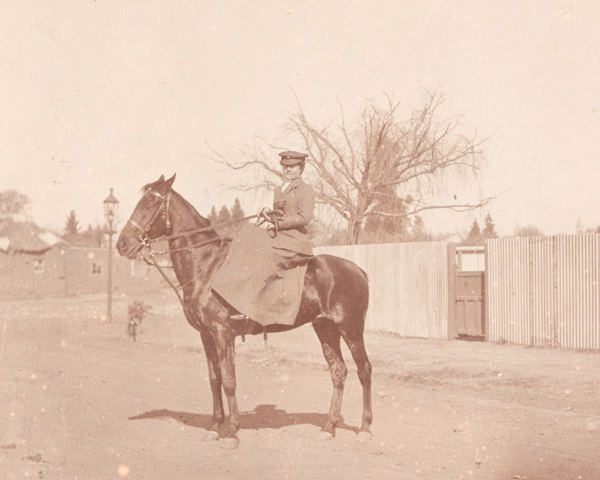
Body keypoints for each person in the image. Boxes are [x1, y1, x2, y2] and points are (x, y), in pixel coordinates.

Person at [211, 151, 315, 326]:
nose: (288, 169)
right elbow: (281, 214)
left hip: (295, 242)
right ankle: (238, 300)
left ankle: (252, 307)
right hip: (280, 237)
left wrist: (277, 222)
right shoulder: (279, 190)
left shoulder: (305, 189)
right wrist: (269, 212)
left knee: (259, 255)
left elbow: (304, 217)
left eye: (292, 166)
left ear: (301, 168)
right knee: (247, 233)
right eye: (285, 166)